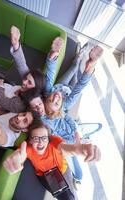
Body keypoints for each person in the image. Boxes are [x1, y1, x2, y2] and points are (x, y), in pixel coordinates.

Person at [19, 45, 103, 182]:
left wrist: (53, 57)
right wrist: (76, 144)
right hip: (72, 141)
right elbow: (56, 140)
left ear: (45, 99)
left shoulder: (56, 98)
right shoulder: (46, 121)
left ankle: (77, 59)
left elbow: (51, 79)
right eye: (55, 101)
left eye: (52, 98)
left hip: (67, 100)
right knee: (79, 175)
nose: (56, 97)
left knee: (73, 71)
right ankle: (82, 139)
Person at [0, 26, 63, 115]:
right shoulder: (38, 91)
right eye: (26, 79)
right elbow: (22, 66)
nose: (23, 82)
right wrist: (16, 44)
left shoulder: (22, 106)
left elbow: (3, 103)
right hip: (6, 86)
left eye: (29, 82)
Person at [3, 120, 101, 200]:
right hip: (48, 175)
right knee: (69, 198)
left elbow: (64, 147)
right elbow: (21, 155)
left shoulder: (54, 140)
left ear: (49, 139)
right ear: (30, 140)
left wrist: (76, 149)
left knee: (74, 190)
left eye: (44, 138)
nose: (41, 142)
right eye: (36, 138)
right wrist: (17, 160)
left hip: (63, 168)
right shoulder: (27, 148)